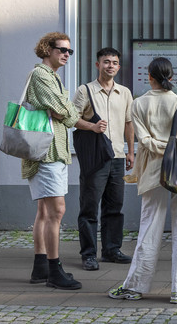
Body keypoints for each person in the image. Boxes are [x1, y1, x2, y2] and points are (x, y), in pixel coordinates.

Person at [108, 57, 177, 303]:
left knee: (148, 228)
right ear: (171, 77)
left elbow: (143, 140)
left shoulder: (138, 104)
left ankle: (135, 286)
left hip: (153, 171)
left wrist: (158, 146)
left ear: (149, 77)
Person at [24, 32, 106, 290]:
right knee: (56, 210)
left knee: (44, 211)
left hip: (49, 149)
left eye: (69, 51)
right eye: (62, 49)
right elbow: (64, 111)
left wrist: (64, 110)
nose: (66, 54)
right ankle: (54, 270)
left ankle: (40, 267)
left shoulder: (53, 77)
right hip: (47, 150)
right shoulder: (41, 75)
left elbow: (63, 110)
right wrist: (66, 110)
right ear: (47, 49)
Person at [72, 47, 135, 271]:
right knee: (89, 207)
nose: (110, 66)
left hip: (118, 156)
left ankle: (111, 250)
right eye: (106, 62)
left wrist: (130, 151)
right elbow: (72, 119)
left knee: (115, 207)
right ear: (97, 65)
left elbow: (129, 123)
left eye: (115, 62)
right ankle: (88, 254)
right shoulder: (85, 91)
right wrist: (93, 127)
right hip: (96, 157)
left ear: (119, 67)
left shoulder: (125, 92)